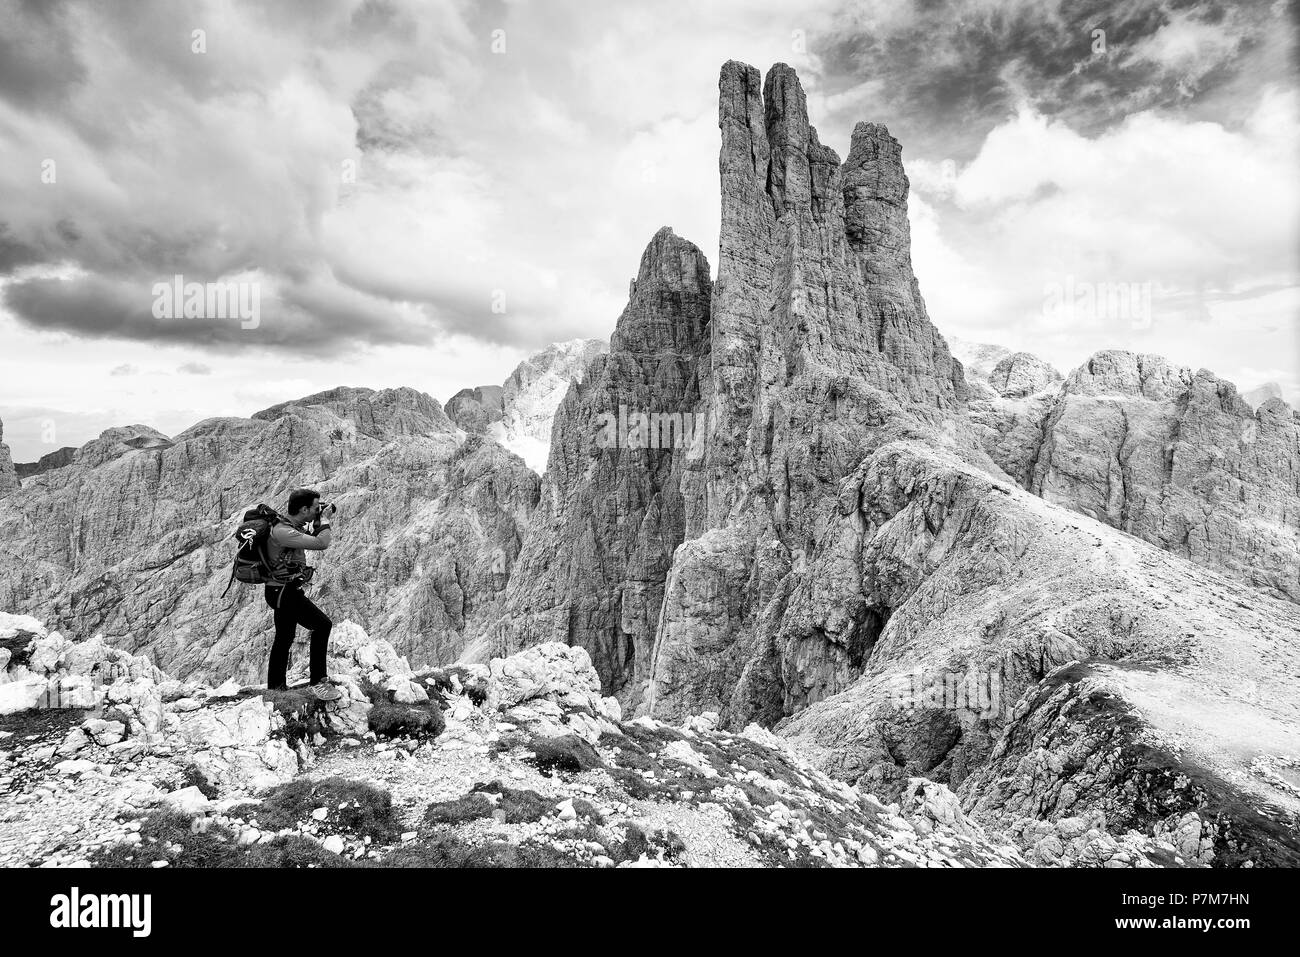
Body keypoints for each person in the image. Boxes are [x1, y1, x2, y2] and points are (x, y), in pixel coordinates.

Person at [264, 487, 342, 701]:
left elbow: (313, 535)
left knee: (284, 637)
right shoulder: (284, 532)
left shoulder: (291, 526)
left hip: (280, 590)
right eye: (315, 508)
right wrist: (325, 521)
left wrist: (319, 522)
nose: (318, 510)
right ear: (304, 509)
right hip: (284, 591)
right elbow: (321, 542)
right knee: (322, 625)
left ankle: (276, 689)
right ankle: (319, 682)